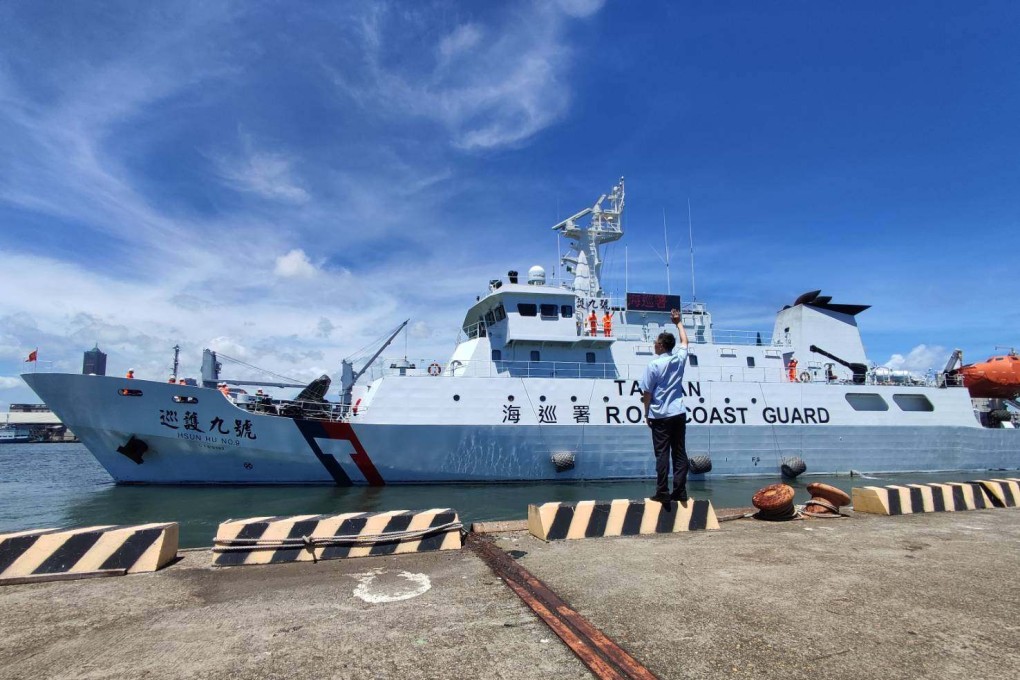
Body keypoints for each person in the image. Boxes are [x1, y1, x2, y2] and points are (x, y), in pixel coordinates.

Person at [639, 308, 690, 504]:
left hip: (660, 415)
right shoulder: (679, 359)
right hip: (678, 412)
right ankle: (680, 492)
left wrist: (646, 413)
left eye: (656, 342)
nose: (654, 344)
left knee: (662, 454)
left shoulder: (653, 365)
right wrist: (678, 322)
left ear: (660, 345)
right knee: (679, 452)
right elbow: (685, 342)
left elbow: (647, 393)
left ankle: (662, 491)